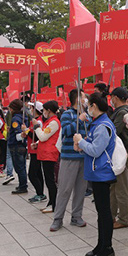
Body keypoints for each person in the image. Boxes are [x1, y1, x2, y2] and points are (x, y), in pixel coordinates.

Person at [74, 92, 116, 256]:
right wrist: (82, 146)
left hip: (102, 174)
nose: (87, 108)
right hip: (96, 173)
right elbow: (92, 147)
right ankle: (101, 245)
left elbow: (96, 150)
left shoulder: (103, 126)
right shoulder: (97, 123)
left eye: (89, 105)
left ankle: (107, 247)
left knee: (104, 213)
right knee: (101, 212)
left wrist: (81, 141)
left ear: (94, 106)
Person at [50, 89, 89, 231]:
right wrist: (79, 120)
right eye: (84, 97)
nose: (86, 100)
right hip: (69, 158)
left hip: (84, 157)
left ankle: (76, 216)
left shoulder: (87, 114)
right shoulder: (67, 114)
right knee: (64, 189)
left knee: (81, 189)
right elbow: (66, 131)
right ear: (77, 99)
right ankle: (58, 218)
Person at [110, 87, 128, 230]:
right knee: (113, 188)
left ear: (116, 98)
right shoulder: (118, 112)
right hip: (116, 156)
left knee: (121, 188)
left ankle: (124, 218)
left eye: (112, 97)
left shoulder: (122, 113)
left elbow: (113, 132)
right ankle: (111, 215)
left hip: (121, 156)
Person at [34, 100, 61, 213]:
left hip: (49, 154)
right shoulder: (50, 121)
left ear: (49, 110)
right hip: (45, 153)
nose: (43, 112)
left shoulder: (54, 122)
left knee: (50, 181)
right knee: (48, 180)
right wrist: (37, 144)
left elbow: (43, 136)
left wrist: (36, 127)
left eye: (44, 110)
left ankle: (54, 204)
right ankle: (51, 202)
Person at [21, 102, 46, 203]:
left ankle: (40, 193)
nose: (30, 109)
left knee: (32, 174)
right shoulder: (33, 121)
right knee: (38, 173)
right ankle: (40, 193)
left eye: (31, 107)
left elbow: (36, 136)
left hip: (36, 150)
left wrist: (26, 131)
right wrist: (25, 134)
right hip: (32, 150)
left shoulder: (38, 122)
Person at [7, 99, 29, 194]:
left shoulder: (15, 119)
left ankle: (23, 186)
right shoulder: (24, 117)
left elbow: (18, 134)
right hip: (22, 146)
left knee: (19, 167)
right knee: (22, 166)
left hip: (16, 145)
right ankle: (22, 184)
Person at [2, 107, 15, 185]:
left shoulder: (12, 115)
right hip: (20, 139)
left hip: (12, 137)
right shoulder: (24, 113)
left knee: (9, 155)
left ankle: (9, 173)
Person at [0, 108, 7, 178]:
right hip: (2, 138)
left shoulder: (0, 119)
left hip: (2, 138)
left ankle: (1, 169)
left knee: (2, 154)